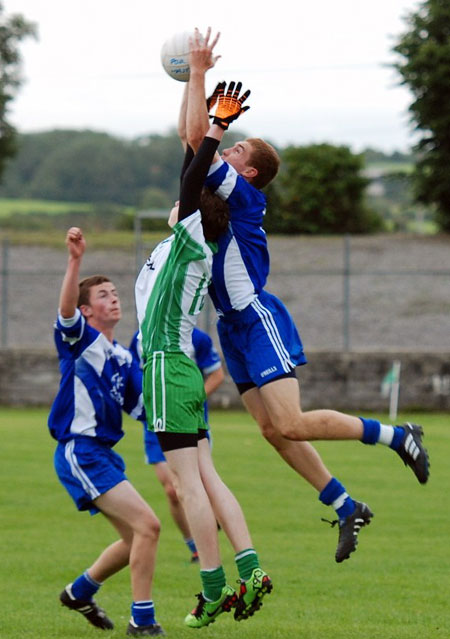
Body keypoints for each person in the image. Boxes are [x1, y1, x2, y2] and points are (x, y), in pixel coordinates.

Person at [181, 27, 430, 564]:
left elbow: (202, 137)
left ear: (247, 172)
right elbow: (193, 140)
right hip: (230, 324)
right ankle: (345, 505)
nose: (229, 144)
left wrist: (199, 74)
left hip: (256, 317)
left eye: (238, 148)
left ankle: (397, 434)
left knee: (290, 422)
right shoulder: (222, 182)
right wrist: (192, 81)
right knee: (273, 430)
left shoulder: (243, 195)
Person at [135, 38, 271, 628]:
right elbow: (188, 161)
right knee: (207, 475)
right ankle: (251, 567)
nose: (177, 197)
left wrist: (216, 126)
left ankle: (213, 587)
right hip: (182, 368)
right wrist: (196, 80)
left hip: (167, 365)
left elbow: (192, 171)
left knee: (188, 484)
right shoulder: (194, 243)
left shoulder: (191, 234)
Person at [48, 227, 165, 637]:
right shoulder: (81, 341)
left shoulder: (123, 356)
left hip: (103, 455)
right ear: (86, 311)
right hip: (80, 451)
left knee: (136, 539)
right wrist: (75, 261)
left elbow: (145, 411)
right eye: (103, 295)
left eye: (115, 293)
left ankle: (79, 592)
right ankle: (143, 621)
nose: (113, 297)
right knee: (149, 527)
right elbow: (65, 312)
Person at [128, 327, 224, 564]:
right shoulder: (141, 338)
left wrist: (190, 399)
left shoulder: (197, 337)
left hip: (191, 421)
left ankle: (208, 535)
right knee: (172, 490)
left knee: (195, 485)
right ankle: (194, 545)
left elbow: (216, 375)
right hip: (156, 422)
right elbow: (134, 375)